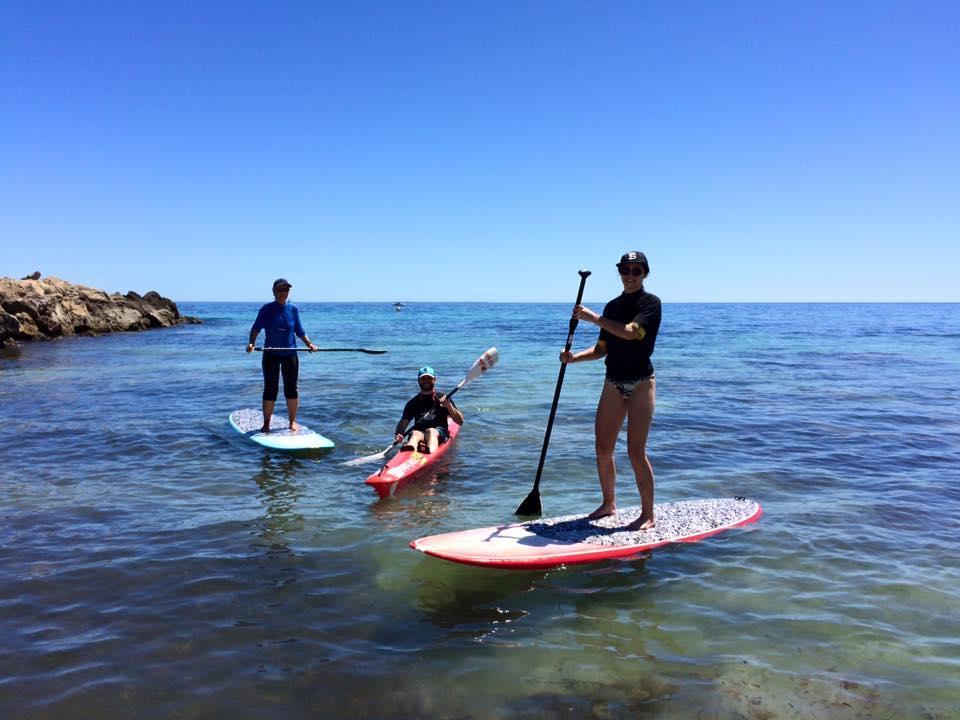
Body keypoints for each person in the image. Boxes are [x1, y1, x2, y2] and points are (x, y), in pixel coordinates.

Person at [560, 251, 662, 530]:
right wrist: (574, 358)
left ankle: (648, 515)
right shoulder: (613, 306)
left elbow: (632, 333)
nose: (630, 275)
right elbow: (602, 349)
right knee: (603, 448)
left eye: (636, 270)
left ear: (644, 273)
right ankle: (609, 504)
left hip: (641, 382)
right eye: (625, 270)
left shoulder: (651, 304)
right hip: (613, 382)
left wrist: (593, 318)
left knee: (635, 451)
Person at [246, 278, 318, 433]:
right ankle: (266, 424)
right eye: (280, 290)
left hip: (290, 354)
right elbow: (256, 328)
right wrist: (251, 343)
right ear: (274, 291)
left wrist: (309, 345)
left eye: (286, 290)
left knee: (291, 389)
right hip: (271, 354)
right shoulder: (266, 309)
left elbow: (299, 331)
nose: (283, 293)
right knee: (270, 389)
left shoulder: (293, 309)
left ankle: (292, 422)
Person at [393, 366, 465, 454]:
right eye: (423, 378)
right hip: (420, 433)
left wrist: (448, 406)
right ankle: (409, 454)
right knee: (415, 433)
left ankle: (430, 455)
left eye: (429, 378)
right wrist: (399, 435)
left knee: (431, 431)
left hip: (438, 432)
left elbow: (460, 421)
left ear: (434, 379)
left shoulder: (443, 398)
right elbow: (402, 424)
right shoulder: (412, 403)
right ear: (418, 381)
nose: (426, 380)